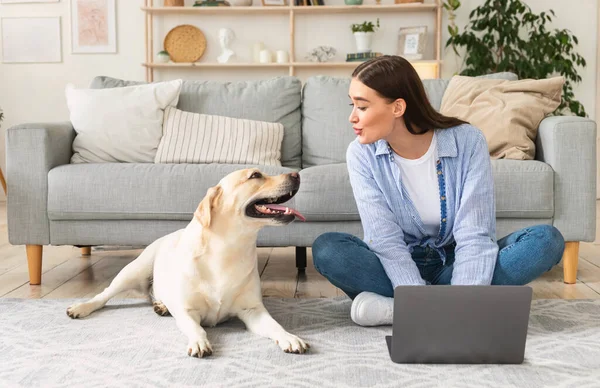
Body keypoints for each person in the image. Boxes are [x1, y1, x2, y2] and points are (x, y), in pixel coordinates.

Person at [311, 55, 565, 327]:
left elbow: (475, 234)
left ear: (398, 107)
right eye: (353, 105)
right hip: (395, 265)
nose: (352, 117)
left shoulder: (467, 141)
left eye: (361, 106)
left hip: (455, 263)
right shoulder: (361, 154)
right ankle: (448, 308)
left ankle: (401, 310)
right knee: (328, 249)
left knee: (545, 241)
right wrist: (420, 295)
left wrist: (462, 295)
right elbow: (384, 240)